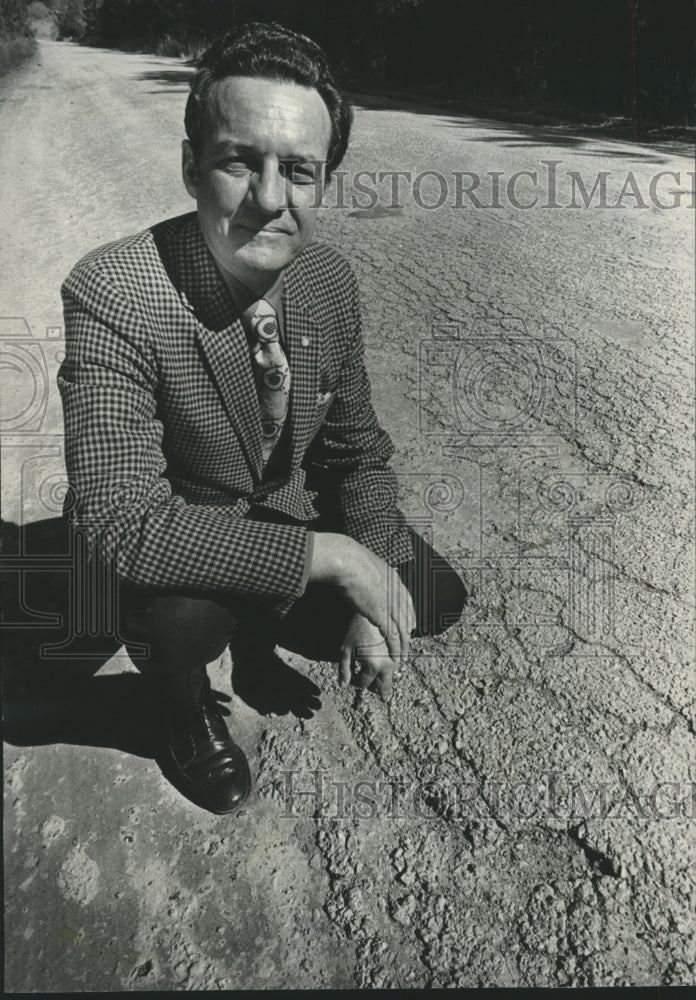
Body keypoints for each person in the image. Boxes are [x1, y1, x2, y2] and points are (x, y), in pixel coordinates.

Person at [57, 21, 466, 815]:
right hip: (173, 526)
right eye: (240, 160)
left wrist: (368, 591)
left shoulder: (327, 281)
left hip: (273, 518)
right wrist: (334, 560)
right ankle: (179, 717)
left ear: (323, 183)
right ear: (190, 166)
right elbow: (120, 519)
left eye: (300, 172)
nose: (271, 200)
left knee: (429, 595)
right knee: (178, 622)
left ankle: (255, 632)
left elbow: (358, 454)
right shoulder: (115, 291)